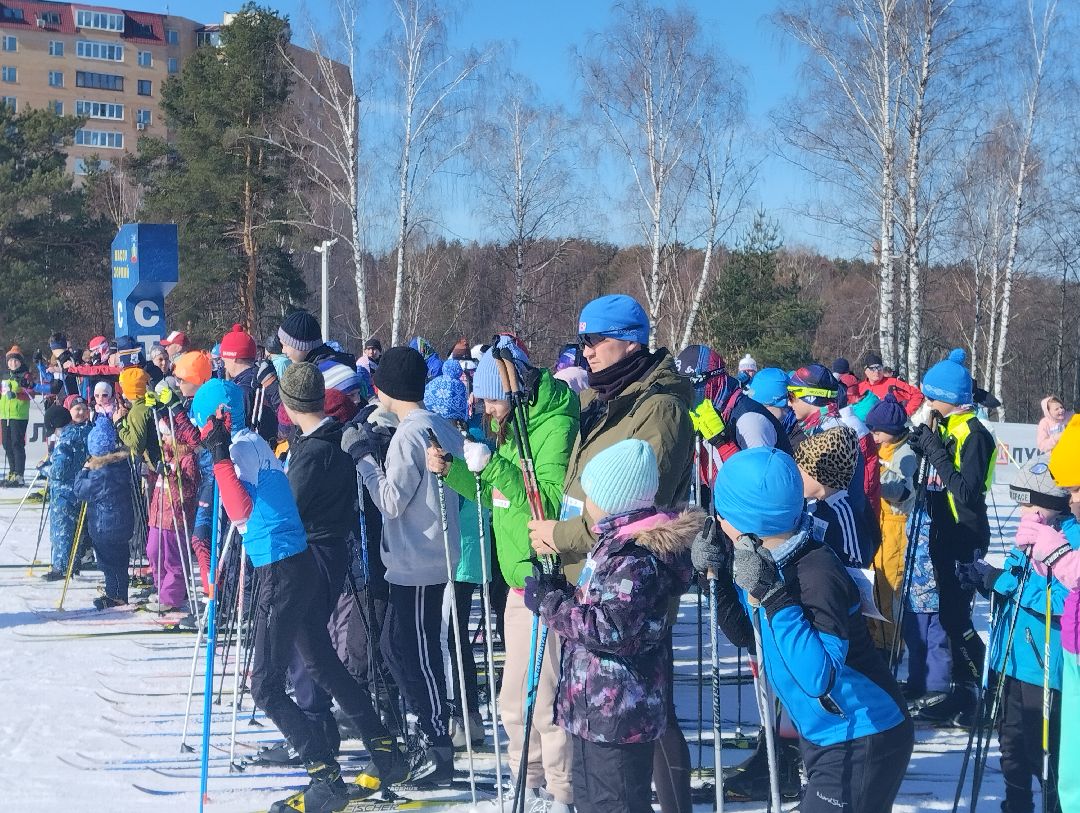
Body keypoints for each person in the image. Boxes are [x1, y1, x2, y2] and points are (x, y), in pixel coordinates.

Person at [192, 378, 405, 813]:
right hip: (297, 563)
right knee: (321, 662)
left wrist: (216, 460)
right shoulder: (251, 441)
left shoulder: (237, 450)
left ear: (213, 420)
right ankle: (385, 749)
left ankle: (325, 778)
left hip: (281, 570)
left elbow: (241, 513)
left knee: (265, 686)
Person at [528, 294, 695, 813]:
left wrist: (563, 535)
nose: (587, 353)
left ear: (629, 340)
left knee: (642, 727)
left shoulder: (659, 408)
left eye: (595, 340)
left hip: (627, 582)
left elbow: (640, 508)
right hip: (592, 578)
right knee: (614, 734)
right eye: (582, 342)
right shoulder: (610, 398)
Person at [701, 446, 914, 813]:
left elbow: (819, 676)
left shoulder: (816, 572)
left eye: (723, 514)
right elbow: (744, 635)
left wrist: (774, 597)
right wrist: (717, 575)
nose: (718, 522)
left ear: (749, 520)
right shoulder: (759, 561)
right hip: (823, 734)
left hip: (865, 734)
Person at [427, 335, 578, 807]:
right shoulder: (511, 426)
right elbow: (498, 499)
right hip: (517, 582)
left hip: (548, 579)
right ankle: (526, 784)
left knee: (547, 699)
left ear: (514, 393)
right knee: (513, 701)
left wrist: (493, 467)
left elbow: (546, 505)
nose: (485, 409)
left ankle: (562, 792)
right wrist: (453, 469)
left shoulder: (553, 425)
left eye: (492, 399)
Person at [342, 345, 465, 785]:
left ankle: (437, 743)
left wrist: (362, 460)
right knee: (399, 647)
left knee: (417, 652)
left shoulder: (410, 434)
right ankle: (425, 733)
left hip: (418, 559)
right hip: (425, 556)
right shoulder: (437, 426)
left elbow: (391, 502)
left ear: (383, 389)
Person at [958, 460, 1070, 813]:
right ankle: (1015, 806)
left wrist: (1000, 582)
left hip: (1044, 666)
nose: (1022, 511)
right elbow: (1013, 582)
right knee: (1011, 747)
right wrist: (985, 582)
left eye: (1027, 503)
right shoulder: (1029, 533)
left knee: (1044, 755)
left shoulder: (1070, 537)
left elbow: (1066, 600)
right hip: (1011, 659)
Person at [907, 348, 994, 726]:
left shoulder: (975, 434)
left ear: (951, 400)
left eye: (932, 397)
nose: (928, 403)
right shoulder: (946, 428)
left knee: (958, 619)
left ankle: (984, 693)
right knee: (947, 615)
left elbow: (968, 491)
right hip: (943, 531)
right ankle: (960, 693)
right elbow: (931, 481)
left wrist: (934, 450)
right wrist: (921, 451)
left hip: (965, 534)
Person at [423, 359, 487, 747]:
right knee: (457, 634)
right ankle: (470, 713)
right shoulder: (477, 438)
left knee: (451, 636)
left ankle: (463, 714)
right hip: (472, 550)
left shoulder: (449, 446)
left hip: (455, 552)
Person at [864, 395, 918, 652]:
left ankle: (890, 641)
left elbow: (904, 490)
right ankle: (875, 634)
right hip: (878, 521)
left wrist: (876, 486)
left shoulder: (905, 453)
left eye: (878, 431)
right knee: (873, 583)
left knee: (889, 586)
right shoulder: (880, 448)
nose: (873, 435)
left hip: (897, 525)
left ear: (893, 431)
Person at [72, 416, 135, 609]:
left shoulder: (101, 474)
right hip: (123, 523)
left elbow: (80, 489)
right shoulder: (122, 465)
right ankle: (119, 592)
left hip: (105, 526)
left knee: (109, 563)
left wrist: (83, 471)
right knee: (120, 559)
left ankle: (115, 594)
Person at [794, 425, 875, 568]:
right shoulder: (811, 503)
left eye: (800, 471)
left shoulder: (843, 513)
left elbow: (857, 566)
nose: (796, 477)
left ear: (821, 475)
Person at [43, 402, 91, 581]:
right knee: (76, 528)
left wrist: (46, 470)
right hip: (79, 488)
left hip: (64, 491)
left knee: (62, 528)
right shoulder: (81, 432)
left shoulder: (65, 439)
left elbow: (60, 469)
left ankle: (62, 566)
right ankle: (73, 562)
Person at [220, 323, 278, 444]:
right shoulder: (260, 376)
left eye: (224, 359)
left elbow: (241, 427)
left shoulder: (243, 389)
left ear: (233, 358)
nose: (224, 365)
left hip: (253, 449)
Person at [1, 346, 33, 486]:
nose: (13, 363)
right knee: (6, 444)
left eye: (16, 361)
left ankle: (19, 474)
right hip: (5, 414)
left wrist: (17, 394)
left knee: (16, 443)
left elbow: (31, 394)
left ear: (20, 362)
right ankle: (12, 471)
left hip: (19, 415)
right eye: (10, 361)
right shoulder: (5, 376)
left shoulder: (25, 375)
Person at [857, 352, 924, 416]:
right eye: (872, 368)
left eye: (879, 367)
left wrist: (905, 413)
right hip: (865, 426)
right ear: (866, 371)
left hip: (889, 426)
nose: (877, 371)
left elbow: (917, 394)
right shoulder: (859, 388)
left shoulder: (893, 383)